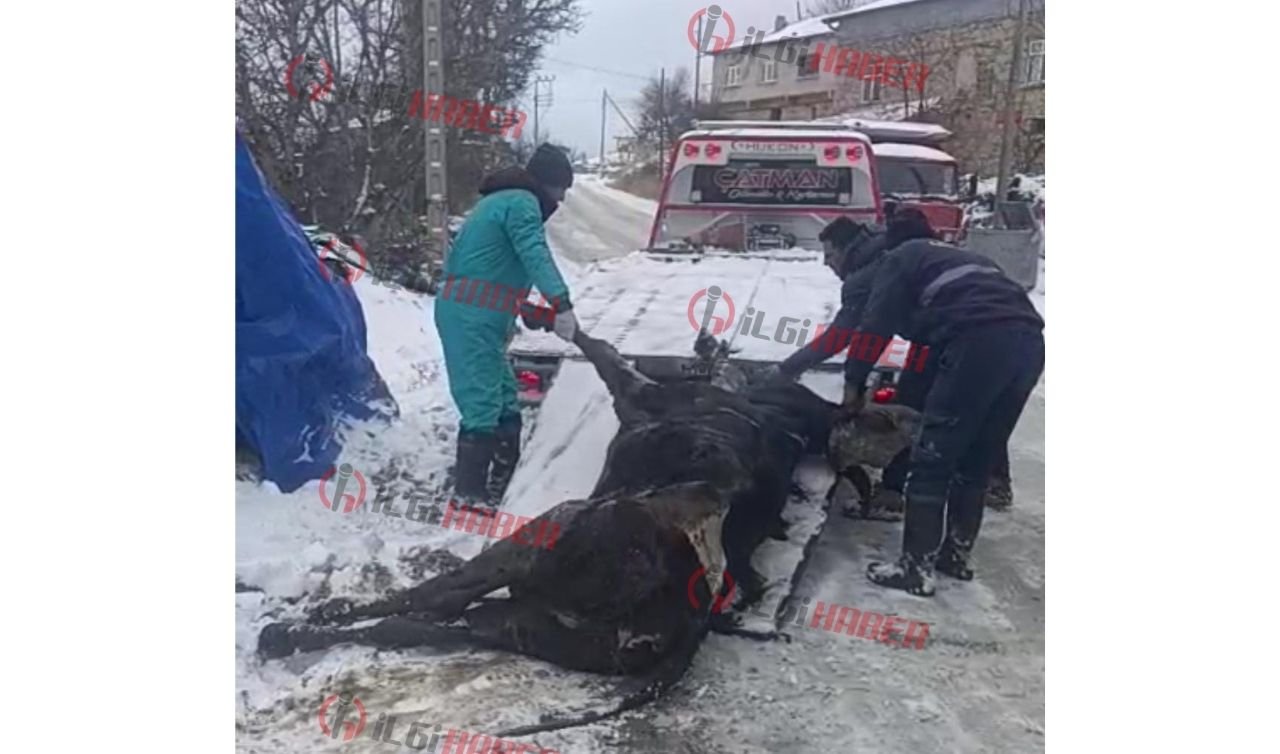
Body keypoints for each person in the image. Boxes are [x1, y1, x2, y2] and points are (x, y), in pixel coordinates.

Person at [842, 213, 1044, 596]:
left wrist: (853, 384)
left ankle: (915, 569)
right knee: (977, 459)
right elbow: (925, 361)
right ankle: (955, 555)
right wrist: (908, 402)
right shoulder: (960, 260)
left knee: (932, 457)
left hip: (978, 340)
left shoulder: (900, 258)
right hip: (1029, 344)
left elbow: (875, 326)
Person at [435, 144, 579, 504]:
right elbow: (534, 253)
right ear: (545, 182)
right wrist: (560, 302)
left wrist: (527, 308)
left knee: (504, 398)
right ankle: (469, 496)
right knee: (481, 404)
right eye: (560, 188)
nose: (561, 198)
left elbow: (490, 269)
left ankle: (505, 481)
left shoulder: (503, 201)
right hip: (469, 318)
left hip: (481, 313)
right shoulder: (522, 202)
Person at [770, 217, 888, 382]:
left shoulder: (863, 280)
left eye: (830, 255)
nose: (826, 263)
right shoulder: (885, 252)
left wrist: (786, 369)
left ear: (847, 250)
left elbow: (839, 337)